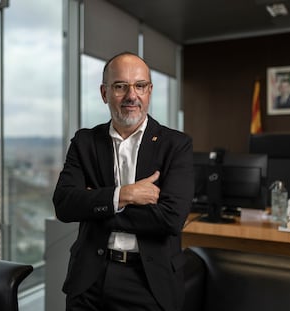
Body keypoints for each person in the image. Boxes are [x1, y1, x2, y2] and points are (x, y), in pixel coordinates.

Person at [53, 52, 194, 311]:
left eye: (140, 86)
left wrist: (97, 203)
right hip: (89, 280)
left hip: (148, 282)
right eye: (120, 86)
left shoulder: (176, 145)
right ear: (104, 93)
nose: (132, 95)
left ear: (149, 91)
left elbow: (171, 219)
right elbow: (63, 205)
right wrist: (126, 195)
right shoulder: (85, 142)